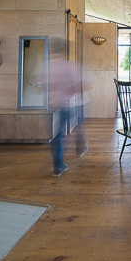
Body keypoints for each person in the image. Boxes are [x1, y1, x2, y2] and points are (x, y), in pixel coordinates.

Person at [48, 38, 87, 177]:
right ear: (65, 51)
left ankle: (58, 166)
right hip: (70, 103)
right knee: (79, 123)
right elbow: (76, 87)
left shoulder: (49, 66)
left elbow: (43, 86)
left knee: (58, 135)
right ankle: (80, 144)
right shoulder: (70, 66)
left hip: (55, 104)